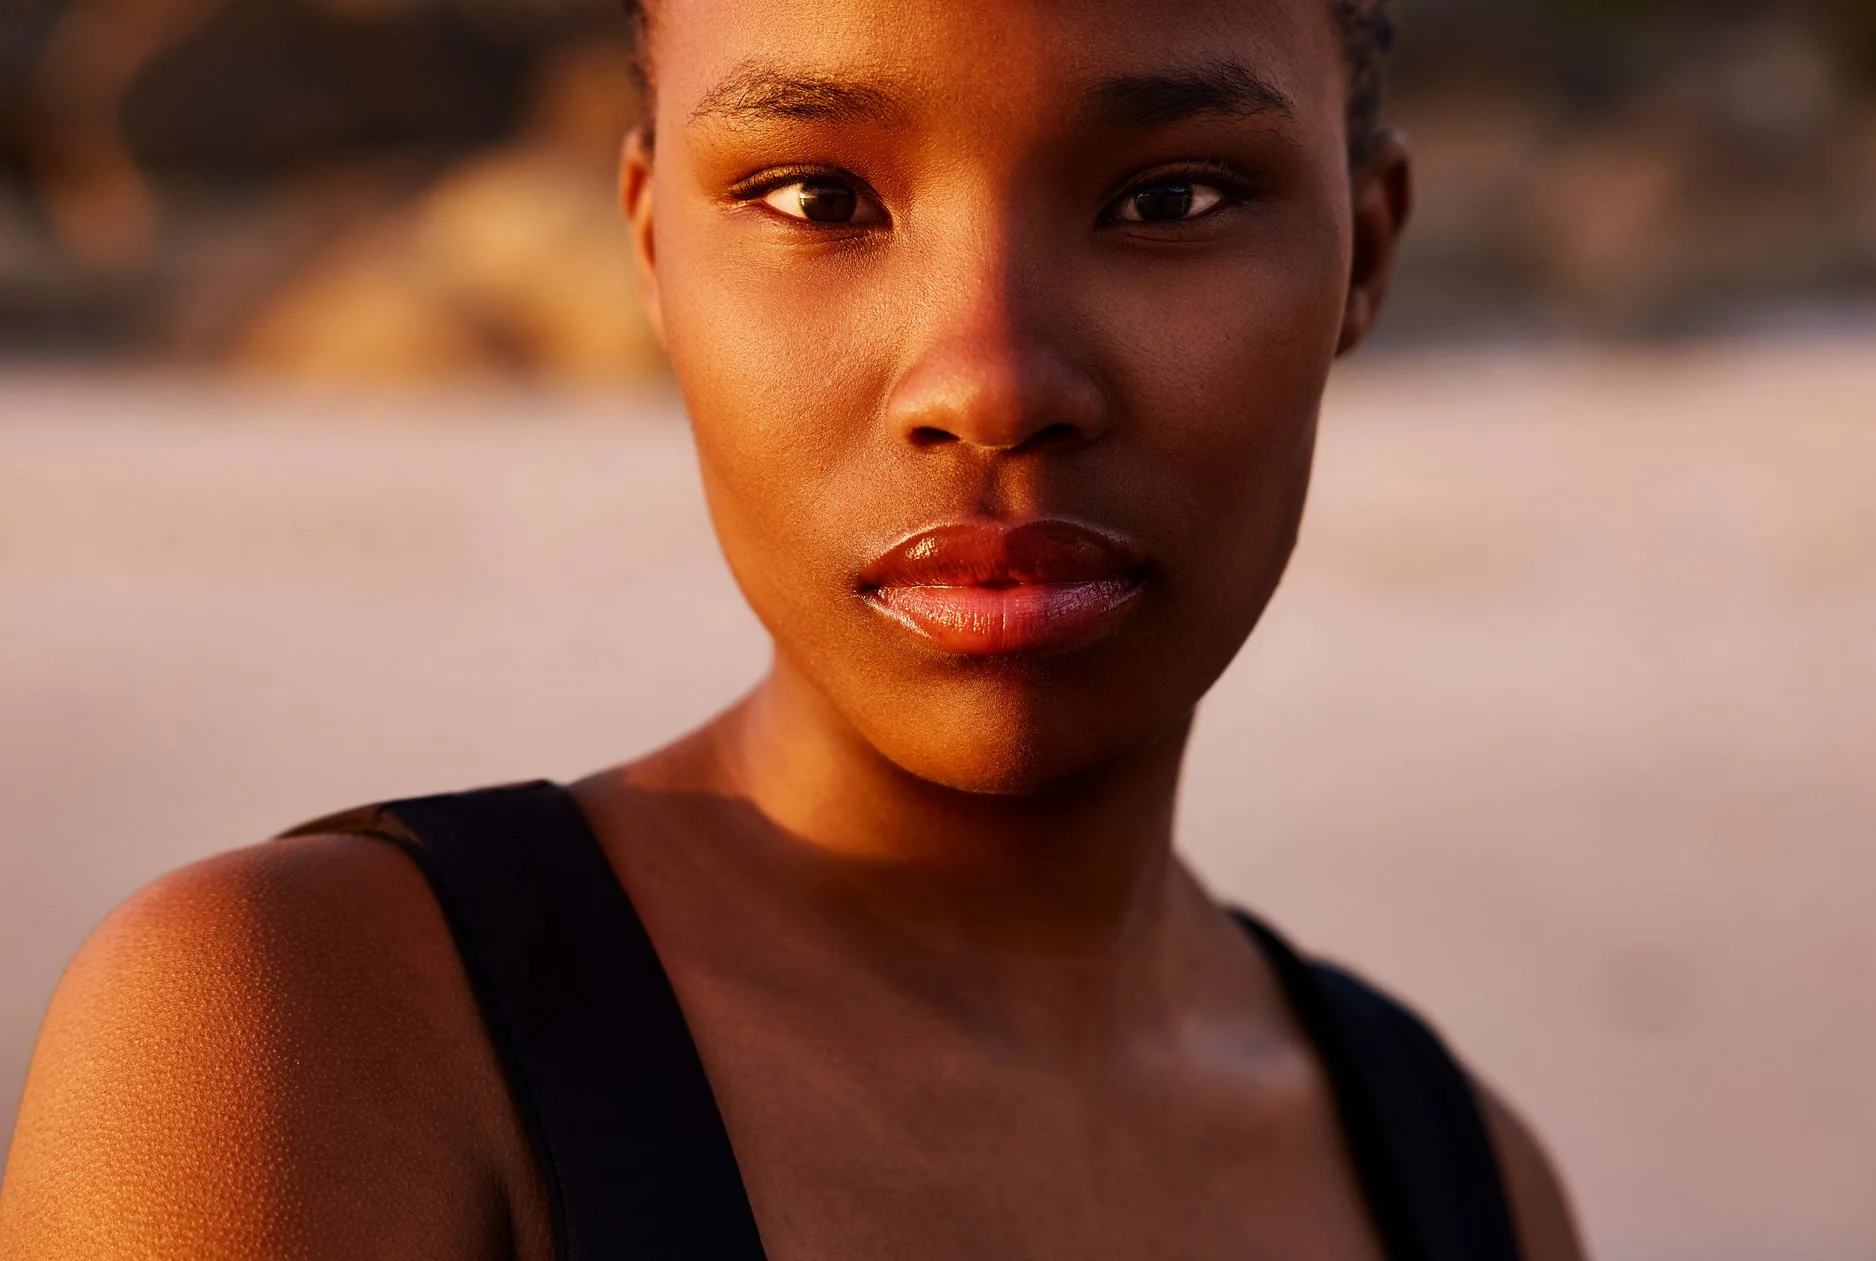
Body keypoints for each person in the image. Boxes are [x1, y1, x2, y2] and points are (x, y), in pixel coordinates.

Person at [0, 0, 1587, 1256]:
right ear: (648, 248)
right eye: (815, 196)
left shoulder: (1462, 1186)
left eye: (1169, 196)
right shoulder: (308, 1043)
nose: (990, 377)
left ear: (1362, 255)